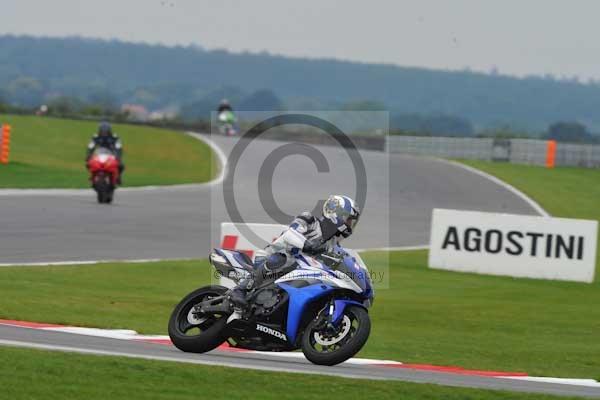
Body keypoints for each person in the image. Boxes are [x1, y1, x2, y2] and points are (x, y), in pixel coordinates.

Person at [229, 195, 361, 308]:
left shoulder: (332, 244)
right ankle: (240, 290)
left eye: (352, 222)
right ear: (335, 213)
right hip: (272, 258)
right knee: (286, 259)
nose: (350, 225)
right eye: (348, 219)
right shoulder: (309, 220)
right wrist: (307, 245)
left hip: (297, 271)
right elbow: (289, 234)